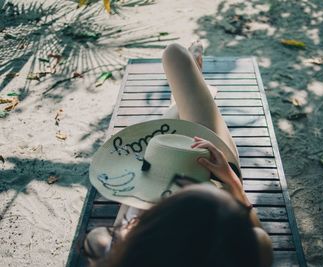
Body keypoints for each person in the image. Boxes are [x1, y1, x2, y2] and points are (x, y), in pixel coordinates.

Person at [84, 42, 273, 267]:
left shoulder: (123, 254)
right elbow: (254, 235)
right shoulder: (252, 249)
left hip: (149, 182)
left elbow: (95, 240)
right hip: (213, 171)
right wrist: (232, 185)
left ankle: (189, 99)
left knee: (175, 56)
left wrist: (127, 233)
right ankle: (192, 97)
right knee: (176, 57)